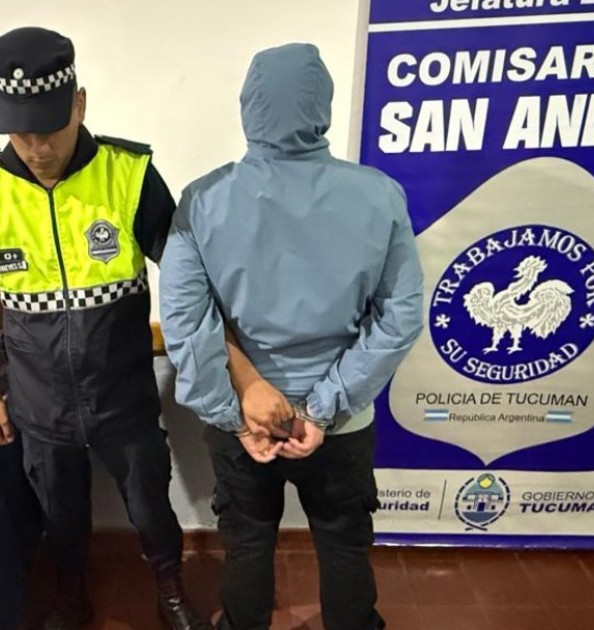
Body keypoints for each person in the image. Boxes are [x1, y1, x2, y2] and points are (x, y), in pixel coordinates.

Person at [159, 43, 424, 630]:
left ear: (248, 106)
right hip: (341, 422)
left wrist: (232, 416)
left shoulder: (203, 200)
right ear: (322, 105)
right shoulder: (379, 195)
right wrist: (324, 407)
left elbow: (185, 321)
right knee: (344, 543)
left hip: (245, 417)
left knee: (247, 543)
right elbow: (400, 316)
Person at [0, 27, 210, 630]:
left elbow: (185, 275)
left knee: (150, 506)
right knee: (60, 516)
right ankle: (71, 596)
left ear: (79, 103)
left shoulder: (129, 174)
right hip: (39, 403)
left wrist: (207, 362)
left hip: (123, 393)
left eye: (50, 128)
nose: (37, 148)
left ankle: (169, 588)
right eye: (21, 133)